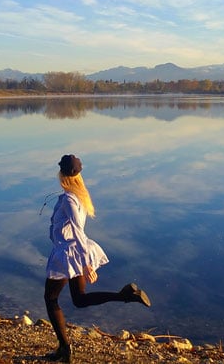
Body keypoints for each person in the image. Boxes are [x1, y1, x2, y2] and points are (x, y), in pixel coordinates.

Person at [43, 154, 151, 363]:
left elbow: (77, 230)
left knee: (50, 298)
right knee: (80, 300)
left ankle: (64, 349)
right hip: (74, 252)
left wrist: (86, 264)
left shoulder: (69, 199)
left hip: (68, 255)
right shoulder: (80, 196)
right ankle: (126, 295)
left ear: (62, 174)